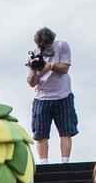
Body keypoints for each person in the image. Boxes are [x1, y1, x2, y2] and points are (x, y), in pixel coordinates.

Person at [26, 27, 77, 165]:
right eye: (40, 45)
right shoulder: (34, 55)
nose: (42, 48)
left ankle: (65, 162)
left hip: (63, 95)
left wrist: (51, 66)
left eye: (45, 45)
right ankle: (44, 163)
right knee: (40, 133)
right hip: (41, 98)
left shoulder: (62, 46)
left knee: (66, 131)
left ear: (51, 41)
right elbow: (31, 82)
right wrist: (37, 71)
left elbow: (65, 68)